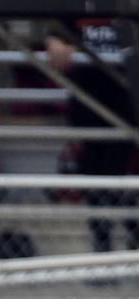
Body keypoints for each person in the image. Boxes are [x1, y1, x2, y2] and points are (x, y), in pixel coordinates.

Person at [45, 19, 139, 254]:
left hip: (124, 108)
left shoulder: (127, 10)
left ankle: (115, 239)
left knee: (111, 178)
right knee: (94, 176)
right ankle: (107, 241)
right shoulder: (81, 9)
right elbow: (56, 30)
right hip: (88, 106)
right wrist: (54, 40)